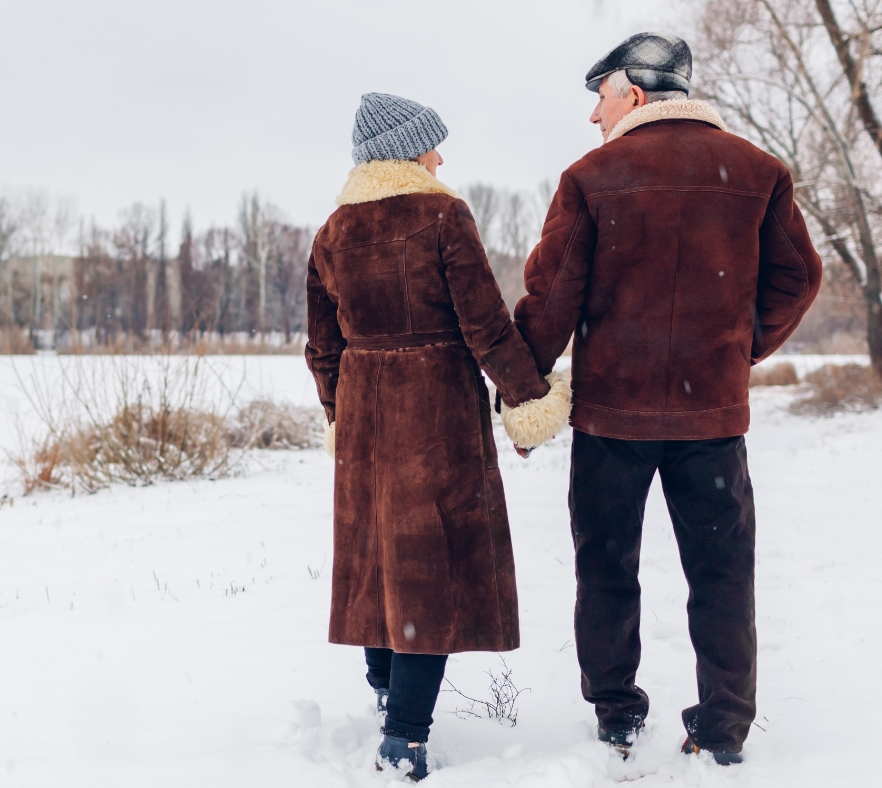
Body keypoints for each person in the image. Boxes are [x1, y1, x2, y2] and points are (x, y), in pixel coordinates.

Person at [513, 33, 823, 765]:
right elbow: (798, 278)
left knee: (607, 568)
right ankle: (723, 727)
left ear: (636, 94)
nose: (595, 116)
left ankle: (617, 713)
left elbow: (551, 297)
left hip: (612, 422)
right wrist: (737, 346)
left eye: (601, 97)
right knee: (722, 573)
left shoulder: (592, 175)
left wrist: (525, 394)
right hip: (710, 420)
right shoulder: (757, 171)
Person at [305, 92, 572, 781]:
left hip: (364, 413)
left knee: (377, 564)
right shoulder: (442, 215)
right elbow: (484, 322)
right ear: (402, 151)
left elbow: (321, 347)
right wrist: (530, 400)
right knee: (431, 569)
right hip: (436, 410)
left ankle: (389, 698)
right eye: (431, 145)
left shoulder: (331, 233)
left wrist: (340, 412)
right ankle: (405, 741)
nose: (440, 157)